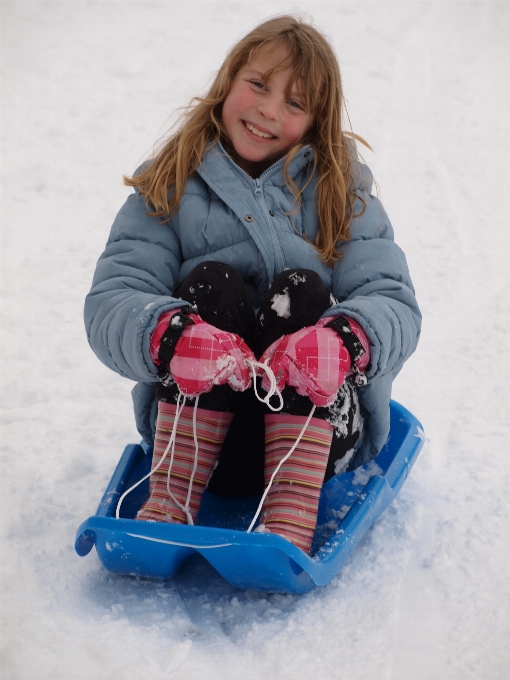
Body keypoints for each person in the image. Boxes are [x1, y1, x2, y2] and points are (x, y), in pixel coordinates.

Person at [85, 16, 421, 554]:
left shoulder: (340, 190)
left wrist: (343, 341)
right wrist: (169, 337)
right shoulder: (171, 182)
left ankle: (288, 512)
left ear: (316, 121)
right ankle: (172, 496)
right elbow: (114, 296)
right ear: (228, 83)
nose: (268, 110)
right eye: (259, 85)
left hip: (316, 439)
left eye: (295, 103)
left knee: (303, 289)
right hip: (204, 446)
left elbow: (392, 299)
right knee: (210, 283)